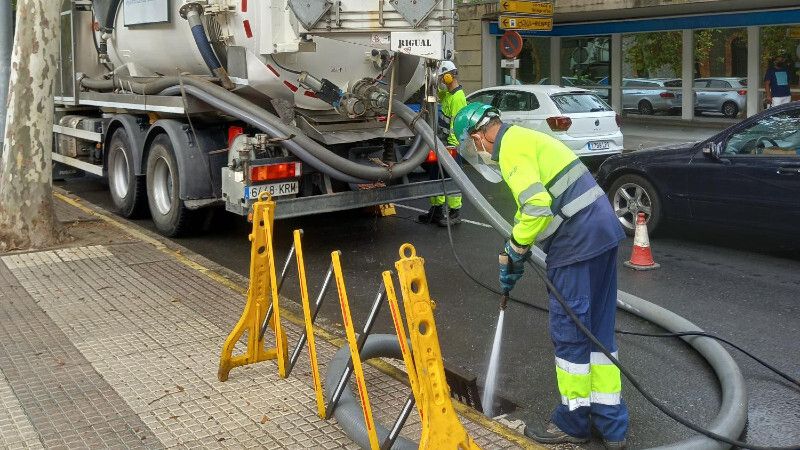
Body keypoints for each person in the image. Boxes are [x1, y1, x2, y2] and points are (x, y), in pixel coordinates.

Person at [452, 103, 629, 449]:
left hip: (577, 243)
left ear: (478, 137)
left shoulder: (511, 150)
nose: (480, 154)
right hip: (602, 234)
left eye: (473, 146)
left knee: (570, 333)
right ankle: (611, 426)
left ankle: (574, 423)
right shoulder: (525, 138)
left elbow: (535, 207)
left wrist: (517, 248)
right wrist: (516, 248)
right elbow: (532, 208)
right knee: (597, 330)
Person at [417, 60, 467, 227]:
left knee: (451, 178)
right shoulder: (449, 95)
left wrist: (452, 146)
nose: (440, 81)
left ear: (449, 76)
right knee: (436, 175)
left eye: (442, 77)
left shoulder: (458, 97)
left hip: (451, 146)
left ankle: (455, 212)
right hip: (442, 143)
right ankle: (437, 210)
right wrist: (434, 80)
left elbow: (457, 123)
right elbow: (437, 94)